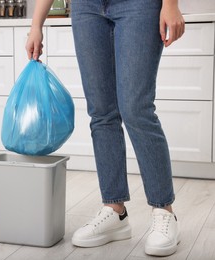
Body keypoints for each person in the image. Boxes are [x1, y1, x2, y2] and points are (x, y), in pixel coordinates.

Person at [26, 0, 185, 257]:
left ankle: (164, 211)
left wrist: (171, 4)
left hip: (139, 5)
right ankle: (115, 210)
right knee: (102, 113)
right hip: (86, 7)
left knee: (136, 109)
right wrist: (36, 24)